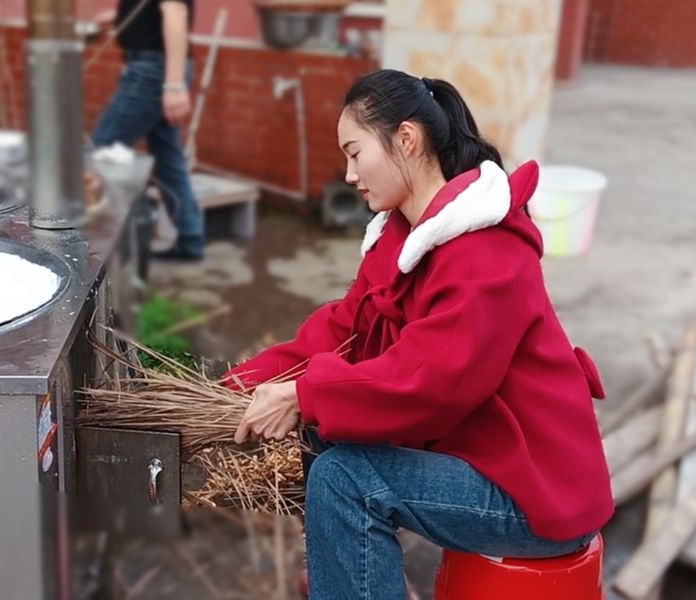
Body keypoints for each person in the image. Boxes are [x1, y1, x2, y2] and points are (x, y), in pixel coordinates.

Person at [227, 69, 614, 600]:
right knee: (327, 431)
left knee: (347, 481)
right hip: (486, 460)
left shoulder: (485, 252)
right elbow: (343, 332)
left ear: (405, 139)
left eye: (355, 152)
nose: (348, 174)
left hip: (534, 494)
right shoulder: (403, 235)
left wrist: (301, 394)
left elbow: (432, 381)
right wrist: (236, 389)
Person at [91, 0, 205, 261]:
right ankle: (191, 242)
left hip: (153, 70)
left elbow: (175, 11)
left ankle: (115, 248)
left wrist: (174, 86)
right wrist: (120, 15)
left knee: (103, 151)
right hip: (154, 68)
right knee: (168, 160)